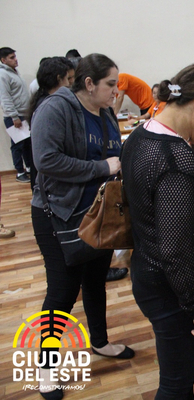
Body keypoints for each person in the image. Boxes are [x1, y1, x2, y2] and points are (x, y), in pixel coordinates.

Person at [121, 61, 194, 399]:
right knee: (176, 383)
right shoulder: (175, 160)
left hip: (150, 275)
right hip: (173, 292)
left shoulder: (142, 135)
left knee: (178, 380)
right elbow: (175, 251)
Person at [31, 53, 134, 399]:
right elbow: (46, 160)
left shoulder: (104, 113)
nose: (116, 91)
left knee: (95, 281)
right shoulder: (55, 108)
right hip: (57, 214)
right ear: (89, 84)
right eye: (110, 84)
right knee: (62, 293)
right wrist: (102, 169)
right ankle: (45, 368)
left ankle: (100, 342)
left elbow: (113, 155)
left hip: (97, 213)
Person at [27, 57, 74, 191]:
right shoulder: (49, 106)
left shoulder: (47, 100)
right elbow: (48, 159)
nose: (70, 83)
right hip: (48, 183)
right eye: (68, 78)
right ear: (59, 79)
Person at [0, 47, 32, 183]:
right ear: (3, 60)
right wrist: (14, 117)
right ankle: (20, 172)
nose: (15, 59)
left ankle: (29, 168)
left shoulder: (14, 73)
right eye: (11, 57)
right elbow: (5, 97)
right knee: (17, 145)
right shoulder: (3, 74)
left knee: (26, 144)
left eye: (15, 56)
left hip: (23, 115)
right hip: (15, 117)